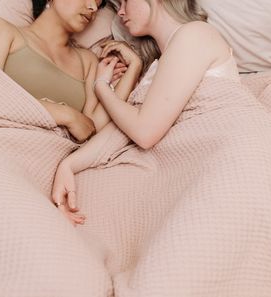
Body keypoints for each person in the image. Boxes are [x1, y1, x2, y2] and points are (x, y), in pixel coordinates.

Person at [52, 0, 239, 213]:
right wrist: (69, 165)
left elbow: (144, 131)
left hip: (224, 158)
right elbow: (126, 127)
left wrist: (102, 87)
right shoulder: (161, 63)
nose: (120, 12)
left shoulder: (194, 34)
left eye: (125, 1)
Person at [0, 0, 144, 225]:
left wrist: (134, 68)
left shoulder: (87, 61)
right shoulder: (2, 30)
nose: (92, 7)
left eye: (98, 4)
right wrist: (64, 114)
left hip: (41, 167)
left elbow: (91, 128)